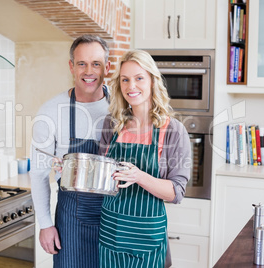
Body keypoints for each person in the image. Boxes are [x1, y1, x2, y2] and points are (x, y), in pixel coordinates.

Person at [98, 50, 191, 268]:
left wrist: (139, 176)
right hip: (110, 234)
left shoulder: (173, 130)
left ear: (152, 81)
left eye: (139, 78)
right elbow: (102, 177)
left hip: (147, 239)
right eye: (125, 79)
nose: (131, 86)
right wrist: (73, 169)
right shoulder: (111, 124)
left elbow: (176, 193)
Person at [30, 35, 111, 267]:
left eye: (96, 63)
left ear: (107, 66)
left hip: (117, 220)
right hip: (72, 223)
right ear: (71, 66)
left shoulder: (121, 107)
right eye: (81, 63)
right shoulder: (50, 111)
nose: (89, 71)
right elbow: (37, 173)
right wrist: (45, 224)